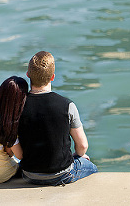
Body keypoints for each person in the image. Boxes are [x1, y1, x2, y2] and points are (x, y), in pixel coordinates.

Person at [18, 51, 98, 185]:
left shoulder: (18, 106)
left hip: (29, 174)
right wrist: (78, 156)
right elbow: (82, 145)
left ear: (28, 75)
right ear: (53, 77)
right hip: (62, 173)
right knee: (91, 167)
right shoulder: (67, 105)